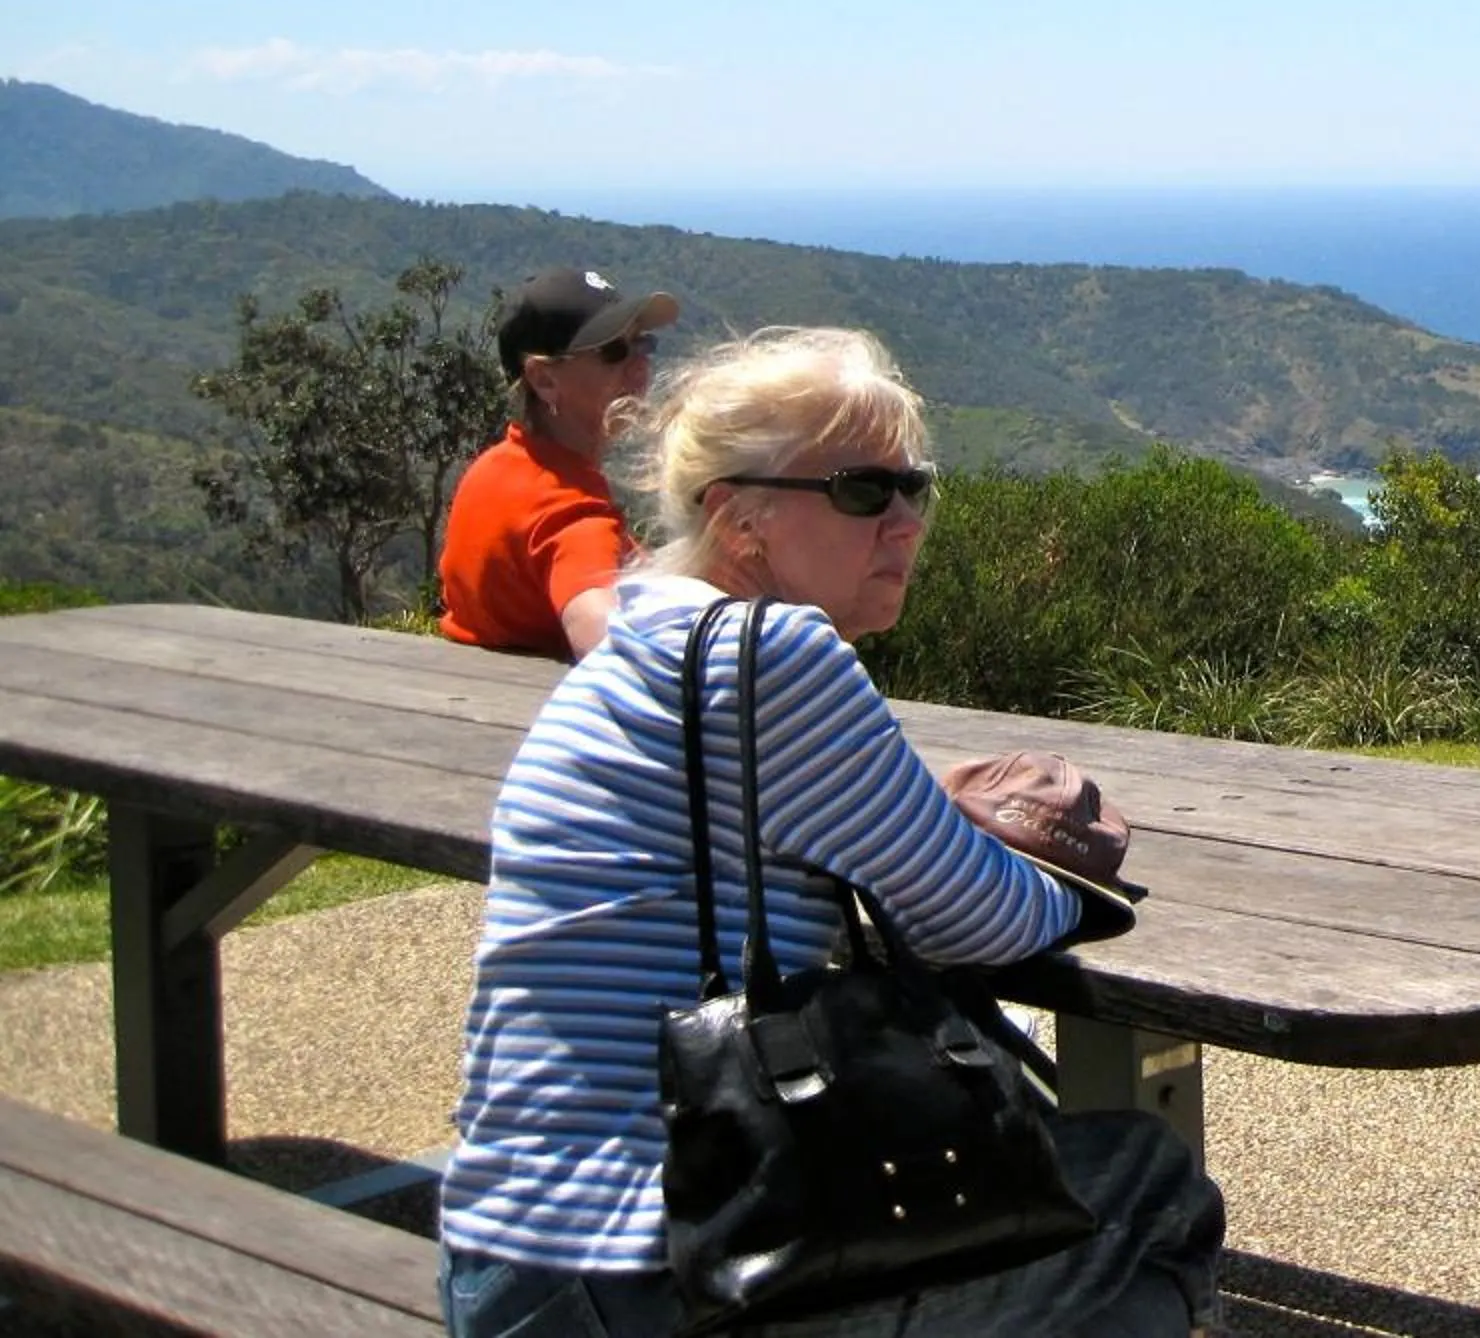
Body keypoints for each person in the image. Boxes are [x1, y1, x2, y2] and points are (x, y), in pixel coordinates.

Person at [438, 325, 1224, 1338]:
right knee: (1145, 1184)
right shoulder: (774, 656)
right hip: (654, 1276)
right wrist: (1069, 883)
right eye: (862, 491)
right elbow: (980, 919)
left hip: (512, 1272)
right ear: (740, 516)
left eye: (916, 488)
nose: (904, 522)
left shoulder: (643, 634)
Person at [439, 267, 680, 657]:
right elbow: (604, 638)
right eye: (613, 351)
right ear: (545, 380)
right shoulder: (570, 515)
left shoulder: (495, 469)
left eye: (641, 344)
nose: (639, 366)